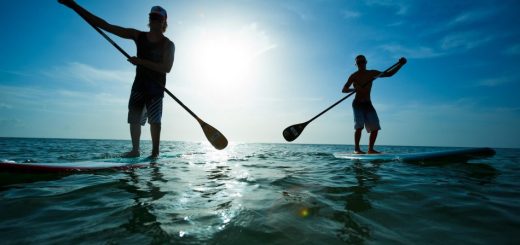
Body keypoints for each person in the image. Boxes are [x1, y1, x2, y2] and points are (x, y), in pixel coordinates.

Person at [59, 0, 175, 158]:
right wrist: (73, 5)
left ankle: (155, 153)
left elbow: (166, 68)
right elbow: (106, 25)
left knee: (154, 120)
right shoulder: (138, 35)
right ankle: (135, 150)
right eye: (152, 17)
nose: (154, 20)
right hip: (139, 86)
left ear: (163, 22)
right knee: (134, 118)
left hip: (156, 88)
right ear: (149, 19)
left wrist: (141, 62)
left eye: (158, 18)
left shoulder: (168, 44)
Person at [342, 55, 406, 154]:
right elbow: (344, 90)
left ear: (366, 62)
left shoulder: (372, 73)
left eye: (362, 61)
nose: (361, 64)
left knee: (375, 128)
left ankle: (370, 149)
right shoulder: (353, 76)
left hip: (368, 103)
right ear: (356, 64)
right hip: (357, 103)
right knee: (359, 127)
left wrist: (400, 64)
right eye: (359, 62)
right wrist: (354, 89)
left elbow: (389, 74)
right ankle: (357, 149)